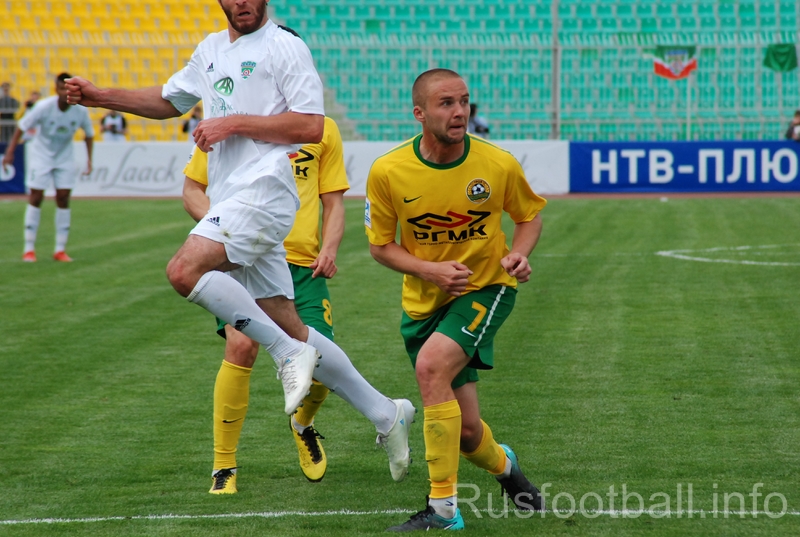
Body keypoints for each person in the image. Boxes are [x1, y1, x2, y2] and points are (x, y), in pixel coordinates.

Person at [64, 0, 414, 491]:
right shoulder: (208, 49)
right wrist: (99, 96)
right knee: (291, 323)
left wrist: (232, 123)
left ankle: (285, 354)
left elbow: (310, 125)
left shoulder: (284, 46)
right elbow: (168, 101)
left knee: (183, 271)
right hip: (234, 195)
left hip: (265, 191)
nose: (242, 2)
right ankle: (386, 412)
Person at [183, 116, 415, 492]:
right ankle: (224, 467)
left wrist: (330, 247)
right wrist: (226, 229)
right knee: (240, 345)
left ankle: (302, 424)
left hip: (303, 266)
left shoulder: (322, 129)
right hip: (242, 256)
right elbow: (192, 190)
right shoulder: (230, 120)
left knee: (319, 356)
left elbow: (333, 201)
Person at [365, 69, 547, 531]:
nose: (460, 111)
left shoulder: (497, 163)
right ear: (419, 113)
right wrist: (430, 270)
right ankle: (506, 468)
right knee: (466, 433)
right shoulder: (388, 171)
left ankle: (443, 508)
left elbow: (528, 218)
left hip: (487, 289)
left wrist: (519, 257)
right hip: (424, 302)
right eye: (446, 103)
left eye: (465, 101)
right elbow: (380, 246)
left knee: (430, 368)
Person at [2, 73, 94, 263]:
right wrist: (10, 152)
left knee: (63, 197)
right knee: (36, 197)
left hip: (64, 156)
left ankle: (60, 249)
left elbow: (89, 134)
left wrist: (89, 160)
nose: (64, 93)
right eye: (61, 89)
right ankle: (29, 249)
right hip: (41, 155)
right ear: (56, 89)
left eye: (68, 90)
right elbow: (22, 126)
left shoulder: (81, 111)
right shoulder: (43, 106)